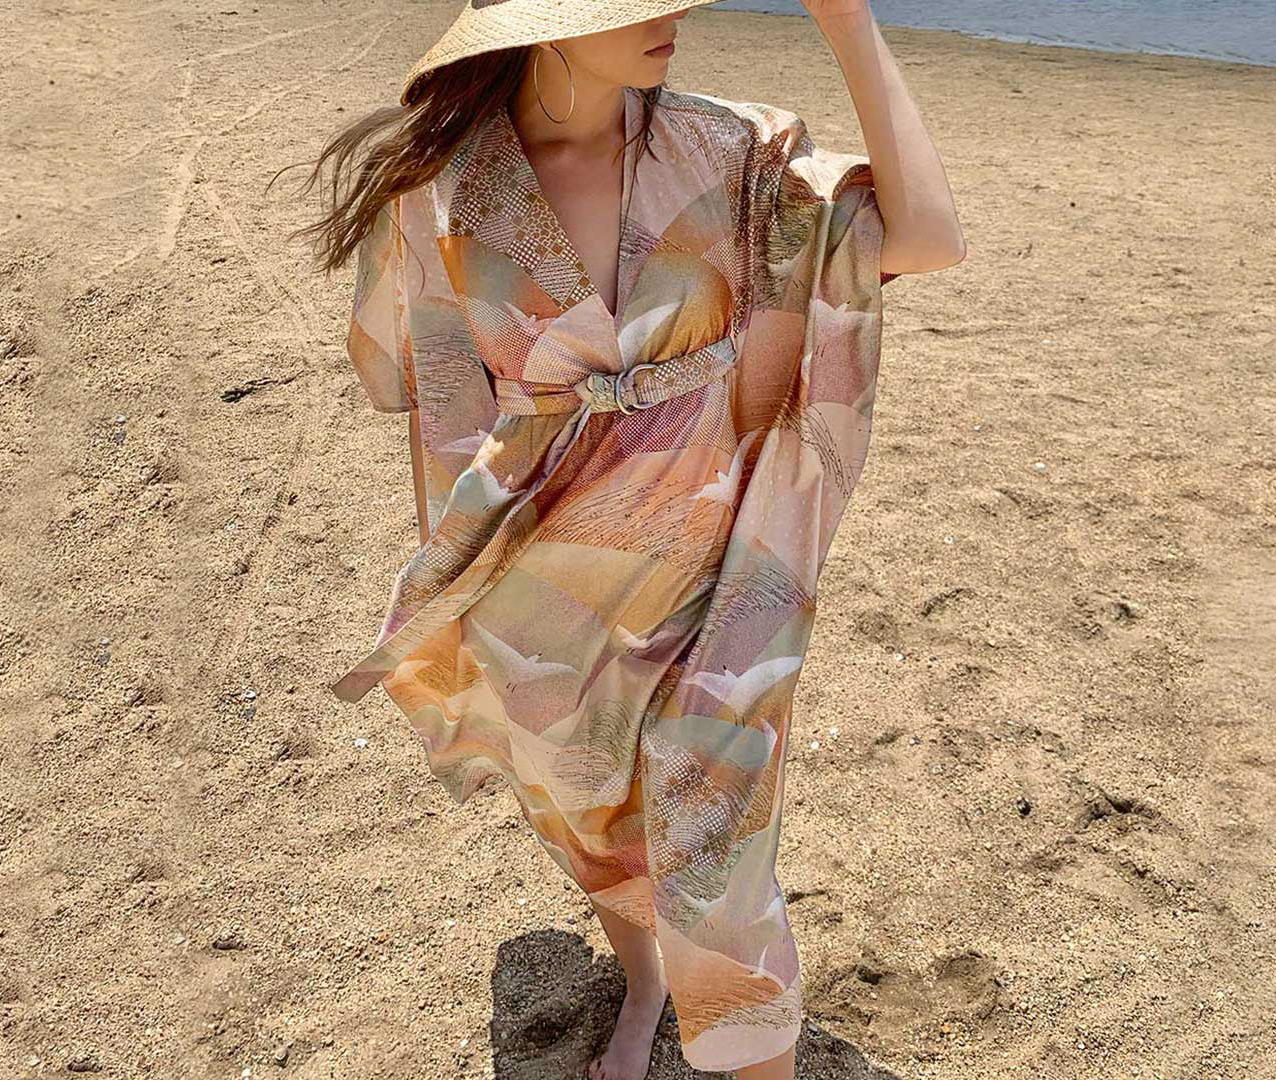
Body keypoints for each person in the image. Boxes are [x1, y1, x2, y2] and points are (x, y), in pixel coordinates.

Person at [288, 2, 963, 1076]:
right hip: (544, 577)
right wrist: (459, 584)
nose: (674, 13)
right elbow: (441, 400)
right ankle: (644, 979)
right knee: (590, 812)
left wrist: (849, 25)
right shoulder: (445, 187)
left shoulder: (731, 150)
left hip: (720, 566)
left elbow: (926, 239)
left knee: (715, 854)